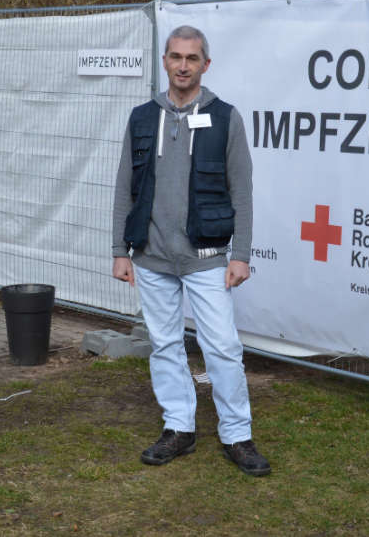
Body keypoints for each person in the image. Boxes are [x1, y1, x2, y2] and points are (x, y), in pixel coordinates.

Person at [111, 25, 269, 476]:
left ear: (205, 64)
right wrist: (119, 250)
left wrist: (241, 254)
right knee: (164, 346)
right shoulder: (142, 117)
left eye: (192, 58)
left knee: (222, 347)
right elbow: (125, 186)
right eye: (176, 57)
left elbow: (243, 191)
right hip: (152, 256)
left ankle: (237, 435)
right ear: (164, 60)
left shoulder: (226, 117)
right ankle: (179, 428)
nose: (183, 65)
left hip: (208, 257)